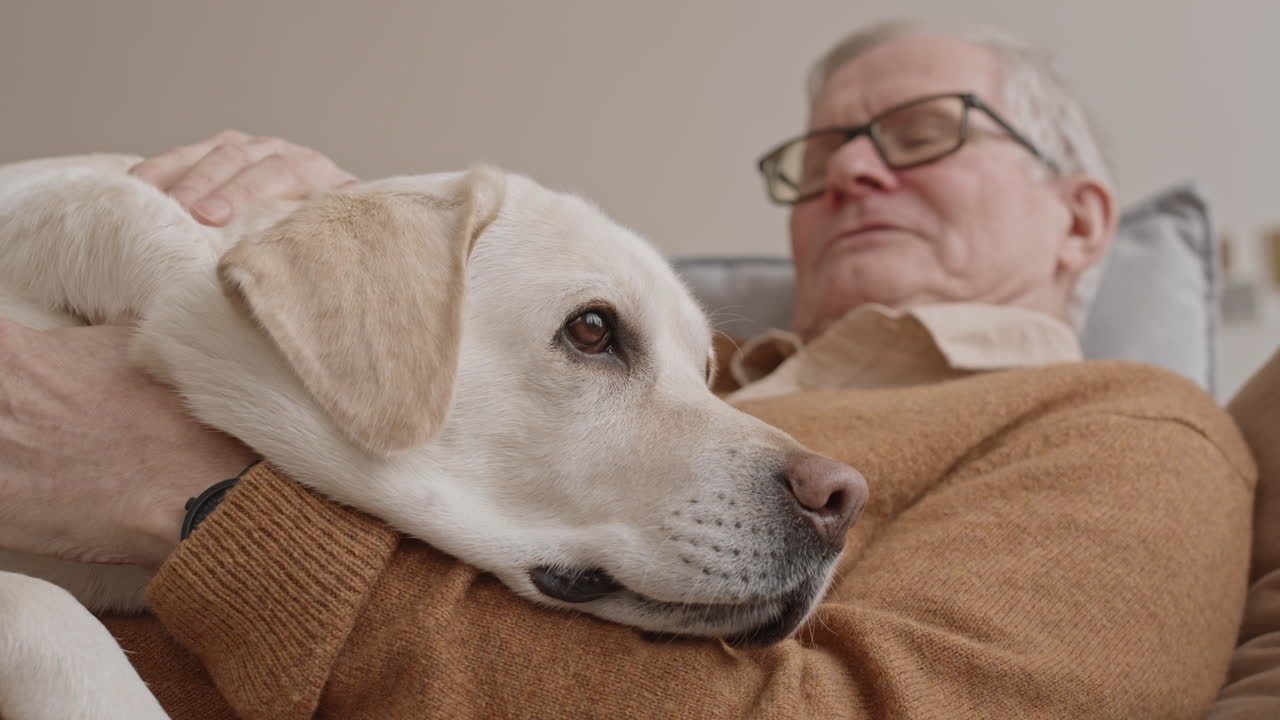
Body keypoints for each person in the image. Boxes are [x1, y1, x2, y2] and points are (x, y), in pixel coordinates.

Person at [0, 19, 1256, 719]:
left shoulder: (1133, 425)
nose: (853, 172)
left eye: (922, 137)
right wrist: (298, 246)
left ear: (1084, 221)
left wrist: (204, 507)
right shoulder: (651, 355)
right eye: (818, 155)